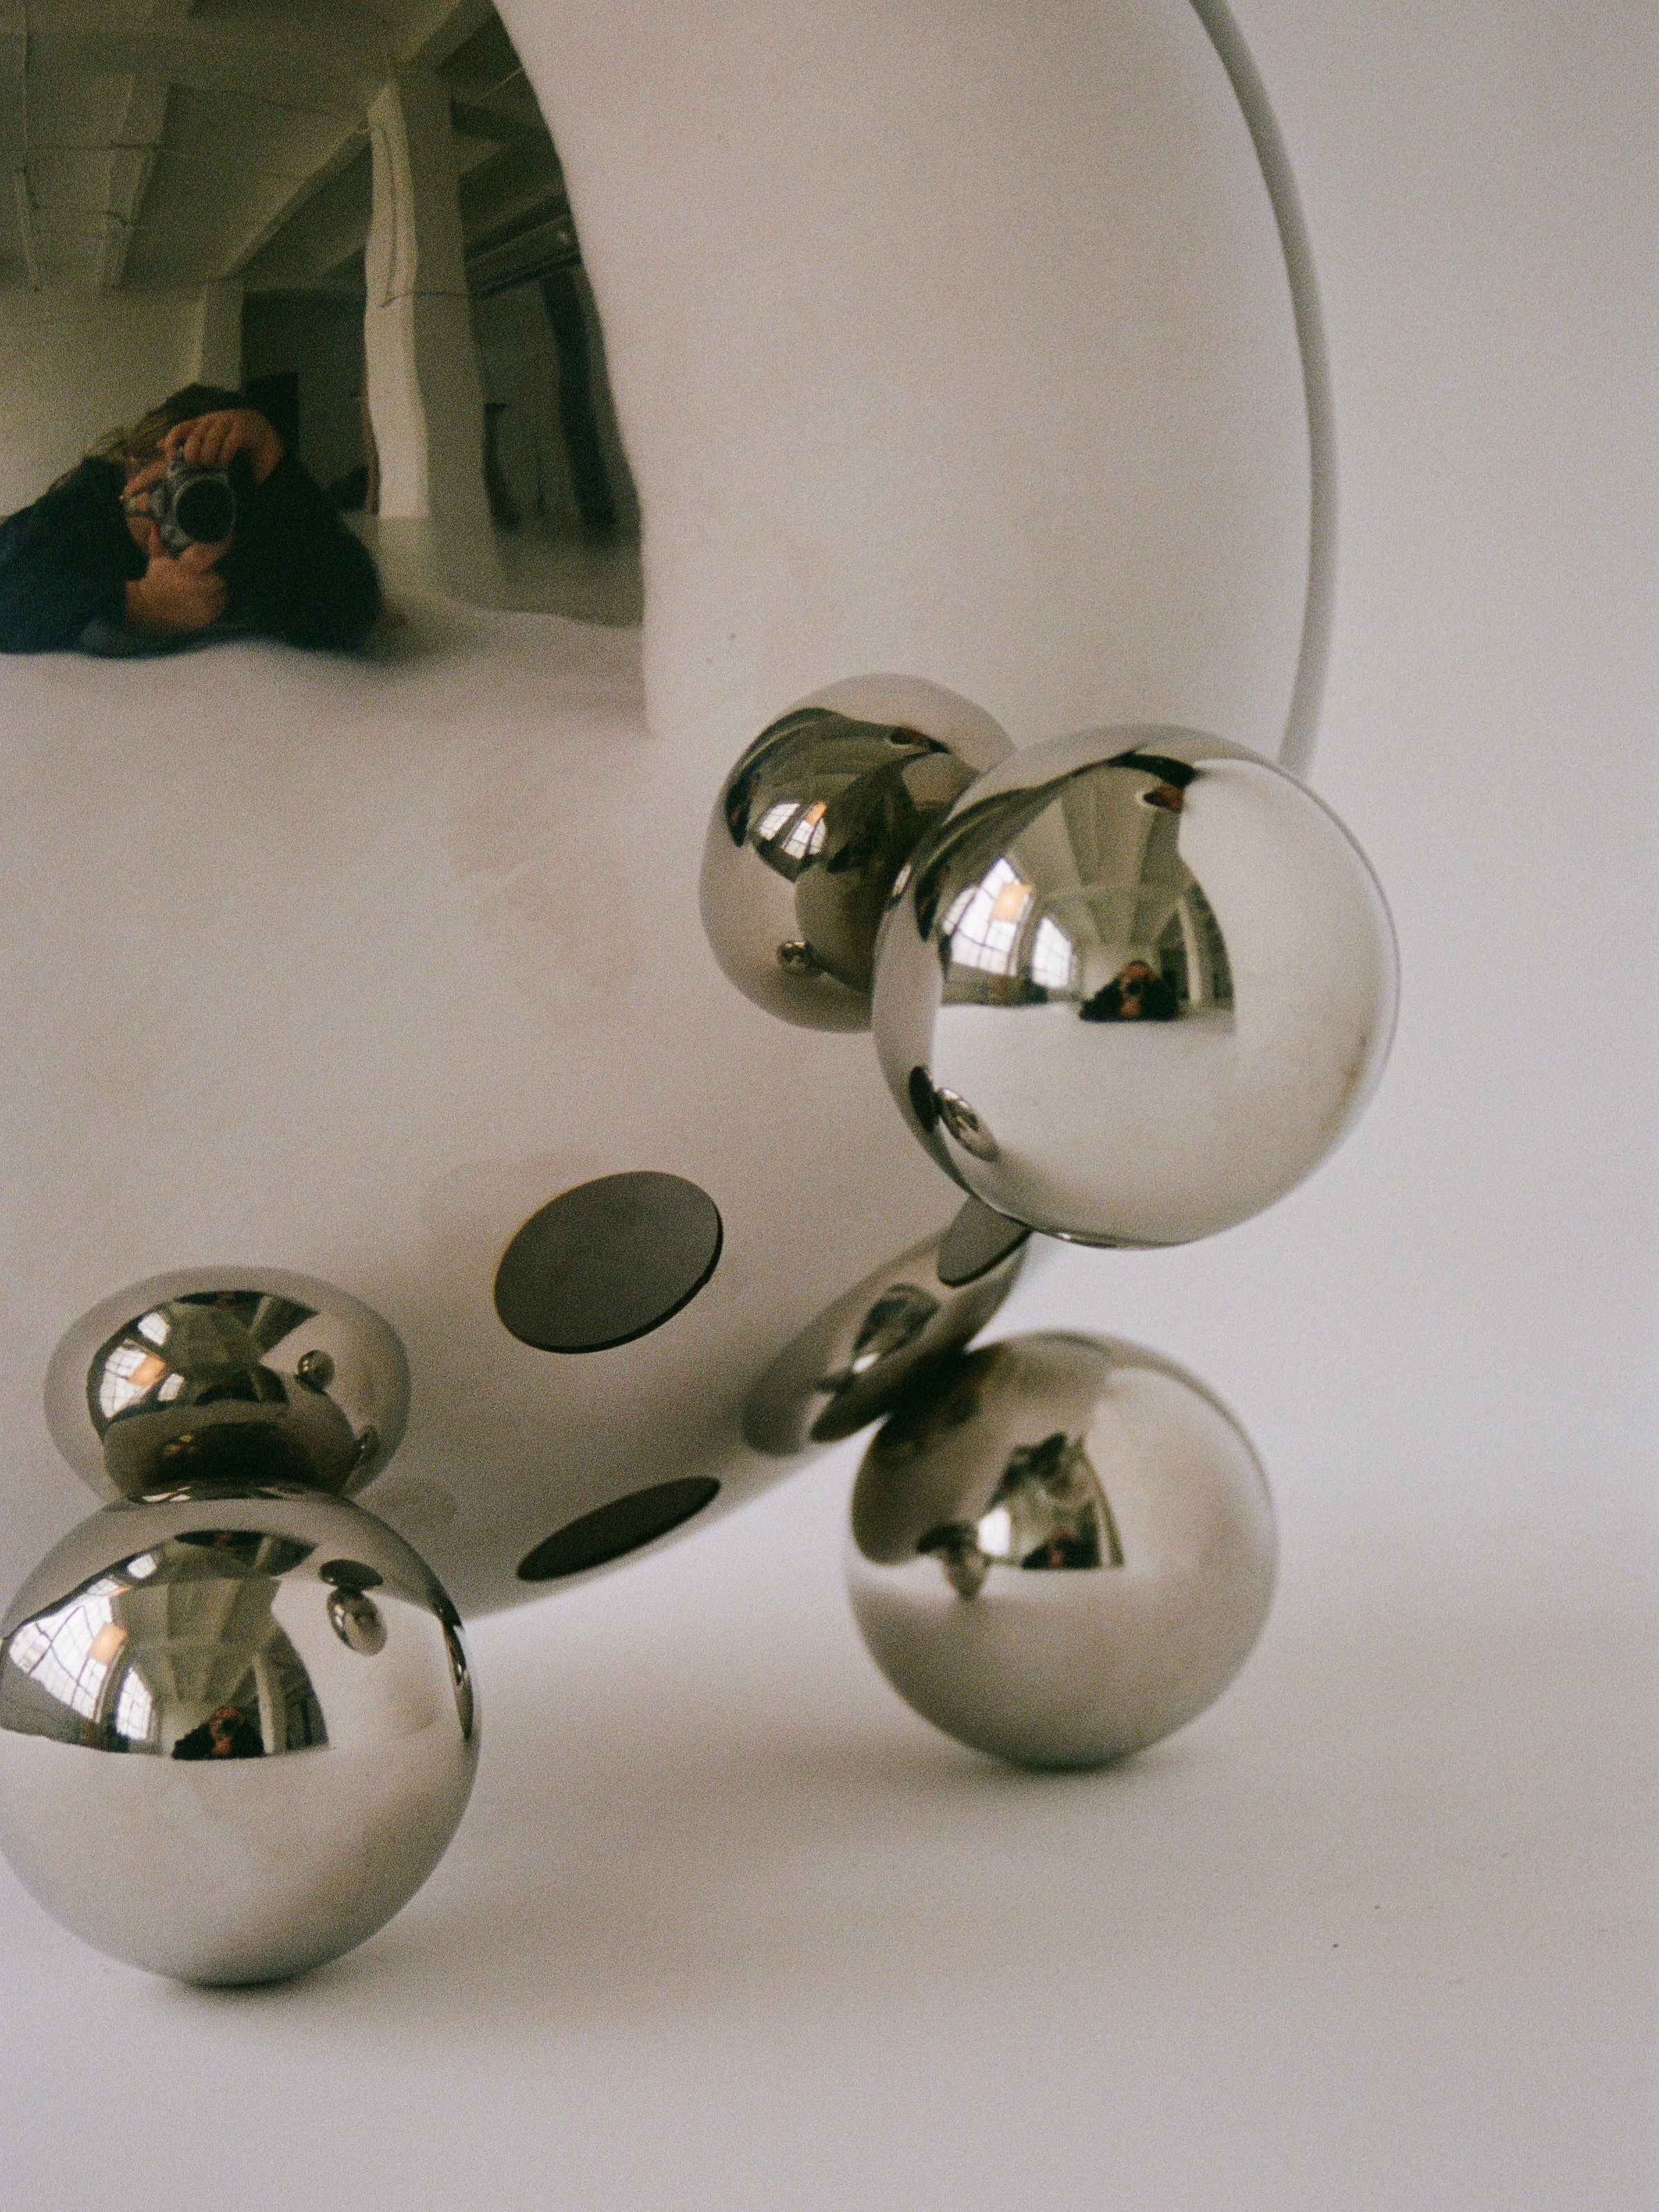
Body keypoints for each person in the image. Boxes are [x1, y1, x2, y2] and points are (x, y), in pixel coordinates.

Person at [0, 383, 382, 655]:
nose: (192, 510)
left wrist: (270, 457)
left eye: (208, 491)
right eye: (175, 481)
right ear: (133, 470)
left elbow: (350, 611)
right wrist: (134, 604)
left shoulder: (241, 526)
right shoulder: (93, 499)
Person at [1079, 958, 1179, 1023]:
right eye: (1129, 978)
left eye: (1140, 978)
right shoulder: (1116, 989)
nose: (1134, 984)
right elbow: (1086, 1010)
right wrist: (1119, 1012)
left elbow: (1172, 1007)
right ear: (1122, 978)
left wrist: (1155, 981)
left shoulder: (1153, 991)